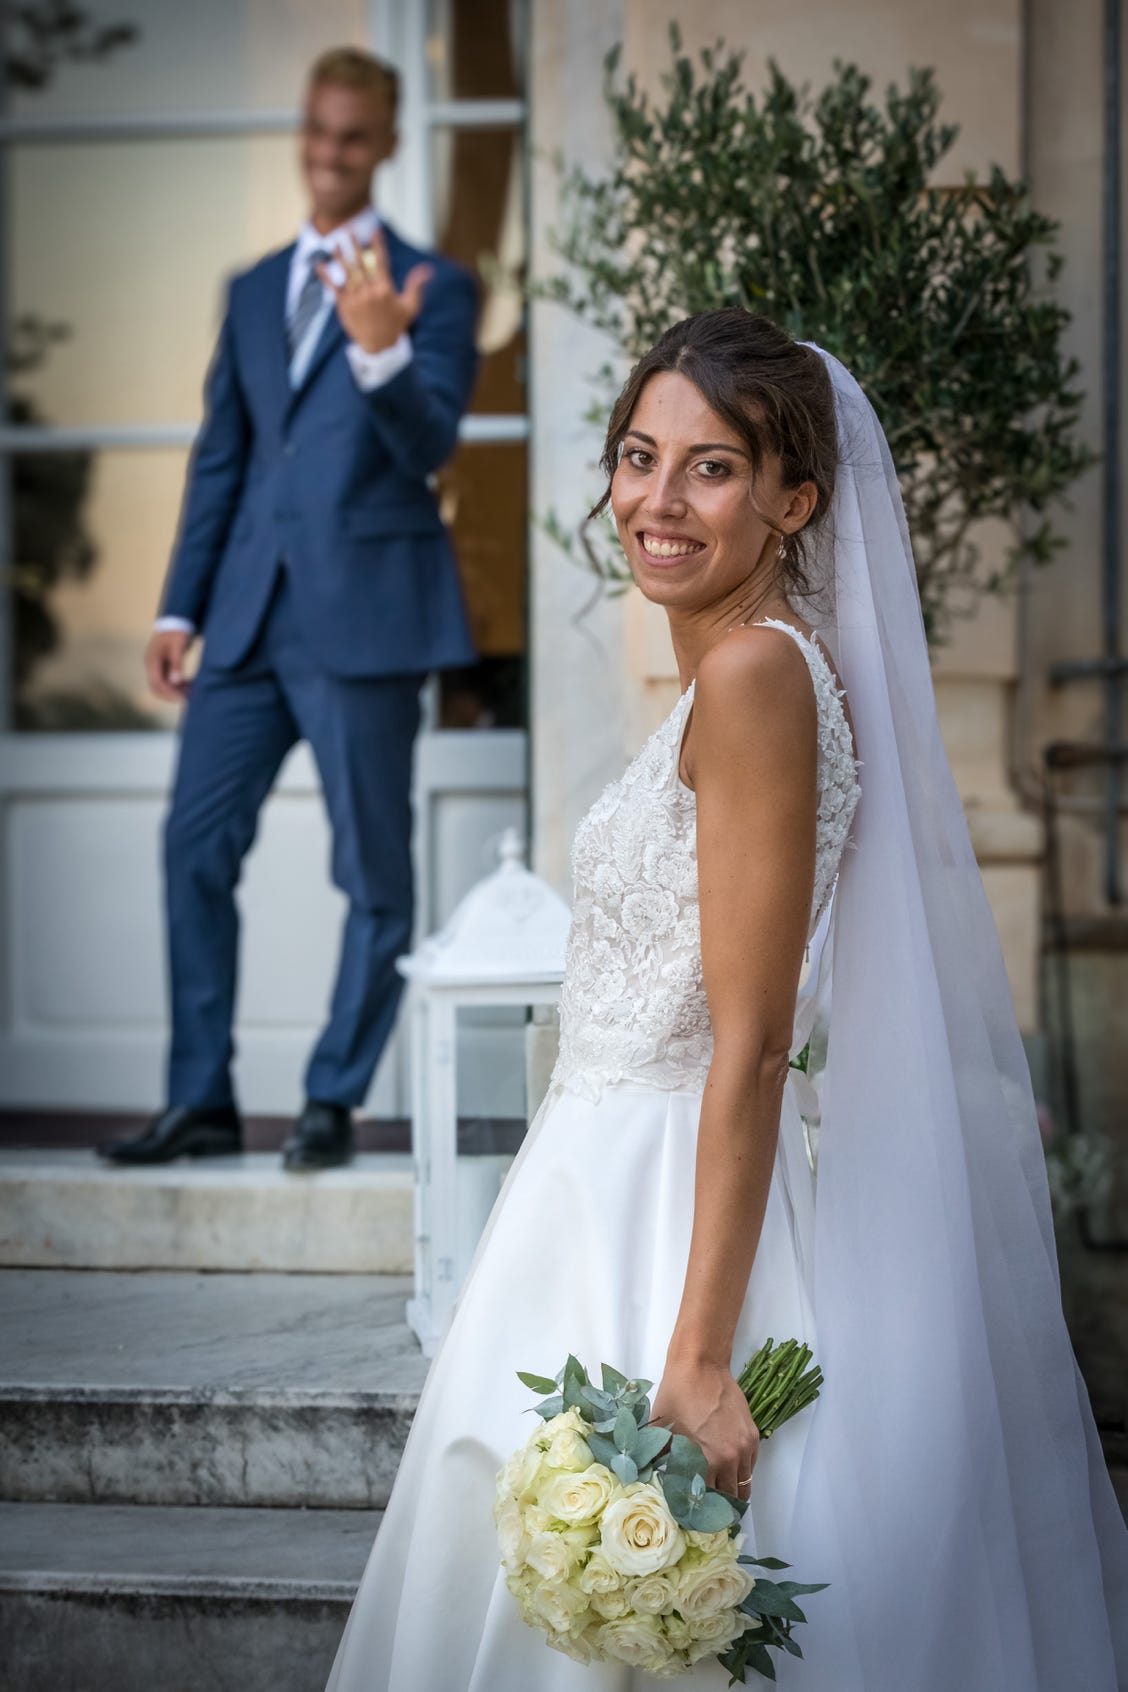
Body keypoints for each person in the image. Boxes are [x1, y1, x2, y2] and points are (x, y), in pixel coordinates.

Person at [324, 311, 1128, 1690]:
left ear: (793, 500)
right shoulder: (751, 665)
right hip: (605, 1184)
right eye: (640, 457)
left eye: (709, 468)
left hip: (662, 1212)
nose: (656, 499)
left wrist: (695, 1361)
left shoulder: (756, 676)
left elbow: (751, 1049)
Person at [97, 48, 479, 1172]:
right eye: (316, 130)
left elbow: (431, 443)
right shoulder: (254, 287)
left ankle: (332, 1097)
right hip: (246, 618)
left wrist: (380, 355)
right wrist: (178, 605)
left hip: (367, 618)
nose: (328, 153)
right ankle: (201, 1098)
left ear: (387, 145)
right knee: (192, 847)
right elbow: (225, 456)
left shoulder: (433, 286)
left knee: (371, 873)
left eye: (352, 136)